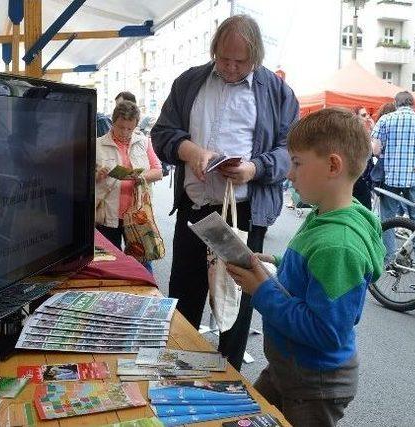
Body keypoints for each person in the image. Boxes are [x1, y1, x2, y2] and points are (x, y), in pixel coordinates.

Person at [150, 14, 299, 370]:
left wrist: (254, 168)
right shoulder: (190, 82)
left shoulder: (278, 93)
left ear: (257, 57)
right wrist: (193, 152)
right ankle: (177, 369)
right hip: (196, 207)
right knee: (184, 292)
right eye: (223, 59)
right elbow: (162, 133)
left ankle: (228, 373)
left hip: (245, 212)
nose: (231, 68)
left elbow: (291, 152)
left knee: (239, 295)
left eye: (240, 61)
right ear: (214, 50)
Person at [227, 108, 385, 426]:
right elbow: (313, 272)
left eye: (297, 163)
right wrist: (277, 263)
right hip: (290, 369)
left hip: (314, 386)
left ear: (332, 165)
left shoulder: (338, 244)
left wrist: (261, 290)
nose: (289, 173)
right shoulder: (325, 214)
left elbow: (325, 331)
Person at [95, 101, 163, 271]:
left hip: (137, 214)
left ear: (135, 126)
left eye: (130, 129)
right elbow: (85, 179)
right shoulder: (97, 145)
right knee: (109, 264)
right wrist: (98, 176)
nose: (125, 132)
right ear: (113, 122)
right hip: (108, 214)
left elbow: (158, 172)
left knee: (143, 262)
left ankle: (147, 296)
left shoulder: (144, 142)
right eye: (120, 127)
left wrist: (138, 176)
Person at [371, 91, 415, 265]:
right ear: (413, 104)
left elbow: (375, 150)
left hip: (391, 179)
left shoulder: (385, 120)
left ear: (395, 103)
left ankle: (391, 259)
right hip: (414, 179)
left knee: (388, 219)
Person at [352, 106, 375, 209]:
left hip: (363, 175)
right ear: (356, 117)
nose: (367, 117)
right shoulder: (356, 132)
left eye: (367, 115)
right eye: (363, 115)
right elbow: (371, 151)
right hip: (358, 176)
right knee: (363, 208)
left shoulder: (363, 132)